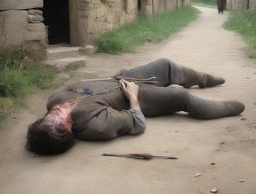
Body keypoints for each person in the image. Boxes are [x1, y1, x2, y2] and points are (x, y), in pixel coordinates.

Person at [26, 58, 245, 155]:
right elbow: (138, 124)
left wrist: (120, 78)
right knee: (181, 97)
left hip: (123, 78)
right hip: (137, 94)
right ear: (68, 131)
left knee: (166, 65)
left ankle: (204, 79)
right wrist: (133, 96)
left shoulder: (53, 99)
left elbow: (86, 87)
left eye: (50, 119)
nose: (57, 113)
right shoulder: (94, 125)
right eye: (60, 124)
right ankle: (224, 108)